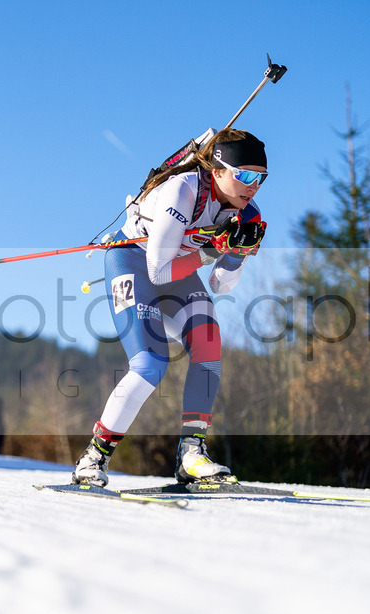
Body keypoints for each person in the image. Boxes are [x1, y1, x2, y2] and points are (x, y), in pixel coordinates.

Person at [72, 128, 269, 487]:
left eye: (261, 178)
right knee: (150, 363)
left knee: (208, 340)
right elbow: (157, 272)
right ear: (218, 170)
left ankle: (191, 455)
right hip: (132, 260)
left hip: (179, 268)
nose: (253, 186)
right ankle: (93, 457)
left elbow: (219, 285)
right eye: (246, 176)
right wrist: (211, 250)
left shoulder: (248, 213)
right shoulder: (184, 190)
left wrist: (237, 253)